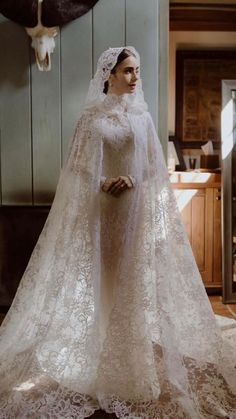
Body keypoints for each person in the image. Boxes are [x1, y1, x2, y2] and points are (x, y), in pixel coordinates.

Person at [0, 46, 236, 419]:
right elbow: (76, 172)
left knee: (133, 282)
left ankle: (131, 362)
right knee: (104, 280)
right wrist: (103, 181)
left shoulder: (142, 118)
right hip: (104, 211)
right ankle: (98, 359)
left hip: (134, 211)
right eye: (127, 70)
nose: (135, 77)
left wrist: (131, 178)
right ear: (108, 74)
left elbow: (153, 171)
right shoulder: (90, 120)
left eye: (137, 70)